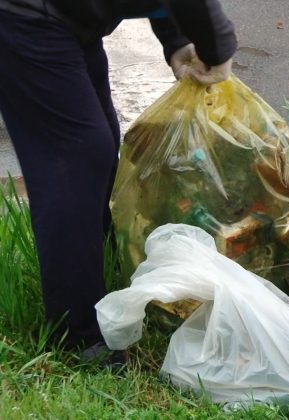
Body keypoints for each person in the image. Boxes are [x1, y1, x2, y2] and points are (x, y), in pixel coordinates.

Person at [0, 0, 237, 366]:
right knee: (75, 160)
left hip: (71, 15)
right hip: (26, 15)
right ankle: (77, 334)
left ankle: (108, 266)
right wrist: (215, 47)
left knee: (100, 143)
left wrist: (177, 38)